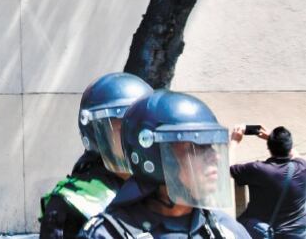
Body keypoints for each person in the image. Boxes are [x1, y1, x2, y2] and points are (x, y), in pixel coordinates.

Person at [80, 90, 249, 239]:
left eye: (212, 146)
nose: (215, 157)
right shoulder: (107, 234)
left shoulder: (226, 231)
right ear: (155, 158)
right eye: (196, 147)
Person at [39, 73, 153, 239]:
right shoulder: (73, 203)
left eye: (139, 127)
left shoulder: (163, 191)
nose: (131, 137)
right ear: (97, 134)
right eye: (121, 127)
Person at [230, 126, 306, 239]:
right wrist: (274, 139)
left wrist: (234, 141)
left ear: (269, 147)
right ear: (289, 146)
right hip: (297, 235)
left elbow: (226, 168)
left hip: (267, 234)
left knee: (234, 225)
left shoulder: (258, 169)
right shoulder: (302, 167)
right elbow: (294, 153)